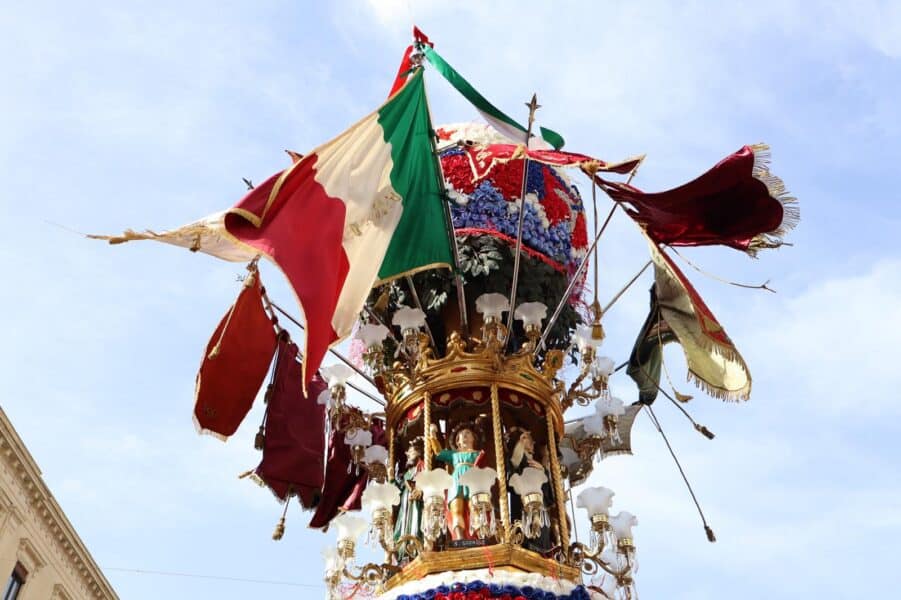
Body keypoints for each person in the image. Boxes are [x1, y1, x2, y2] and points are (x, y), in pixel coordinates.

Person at [429, 421, 486, 541]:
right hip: (456, 481)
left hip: (472, 479)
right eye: (461, 434)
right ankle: (459, 538)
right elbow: (438, 452)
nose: (464, 436)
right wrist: (432, 435)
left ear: (473, 439)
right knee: (456, 509)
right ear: (458, 442)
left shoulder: (478, 454)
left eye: (468, 433)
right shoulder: (454, 455)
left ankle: (479, 536)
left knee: (474, 508)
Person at [507, 427, 554, 552]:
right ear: (521, 440)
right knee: (526, 529)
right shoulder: (517, 461)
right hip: (524, 504)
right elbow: (511, 479)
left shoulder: (535, 463)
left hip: (539, 505)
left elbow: (547, 493)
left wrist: (543, 471)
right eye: (529, 439)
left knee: (541, 529)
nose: (533, 443)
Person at [394, 438, 425, 561]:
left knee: (416, 523)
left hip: (417, 503)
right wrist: (392, 478)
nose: (407, 454)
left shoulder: (423, 467)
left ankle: (416, 547)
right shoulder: (407, 473)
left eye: (410, 452)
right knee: (403, 525)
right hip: (405, 505)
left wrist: (421, 490)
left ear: (418, 452)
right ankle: (402, 551)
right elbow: (398, 489)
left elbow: (429, 481)